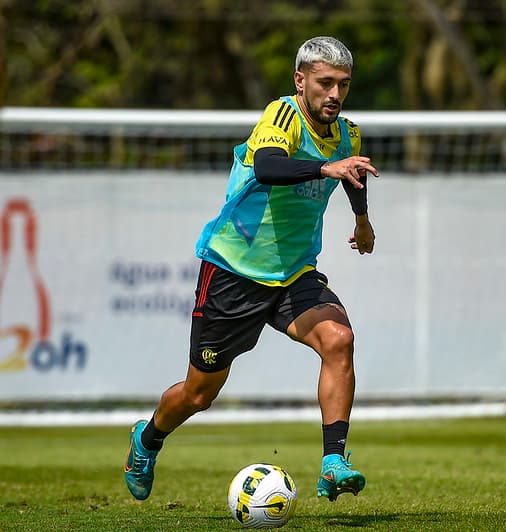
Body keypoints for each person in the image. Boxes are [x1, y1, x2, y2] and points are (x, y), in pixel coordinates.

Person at [124, 36, 378, 503]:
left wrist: (362, 219)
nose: (335, 95)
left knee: (339, 339)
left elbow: (353, 172)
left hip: (293, 275)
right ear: (300, 81)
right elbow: (267, 167)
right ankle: (148, 439)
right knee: (199, 395)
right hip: (234, 272)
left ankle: (332, 463)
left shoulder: (349, 132)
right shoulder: (282, 116)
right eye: (325, 83)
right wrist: (327, 169)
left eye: (342, 85)